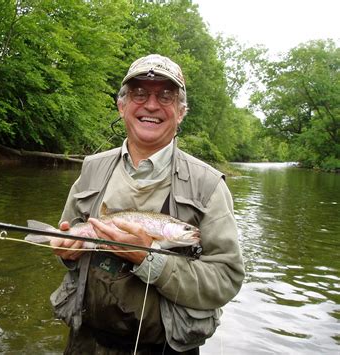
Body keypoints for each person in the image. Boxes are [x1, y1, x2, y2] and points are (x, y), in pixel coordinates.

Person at [49, 54, 245, 354]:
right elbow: (68, 237)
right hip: (85, 341)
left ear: (181, 112)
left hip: (163, 348)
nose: (151, 105)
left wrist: (150, 259)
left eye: (166, 96)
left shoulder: (208, 186)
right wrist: (66, 253)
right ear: (121, 106)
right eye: (139, 93)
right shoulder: (92, 168)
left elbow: (226, 279)